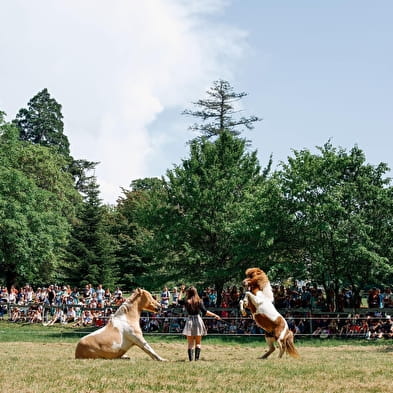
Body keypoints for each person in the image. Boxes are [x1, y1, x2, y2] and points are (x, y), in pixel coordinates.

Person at [179, 286, 221, 361]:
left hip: (190, 320)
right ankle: (197, 359)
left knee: (190, 343)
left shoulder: (186, 301)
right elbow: (205, 312)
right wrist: (215, 315)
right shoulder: (199, 301)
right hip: (198, 320)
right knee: (198, 343)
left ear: (188, 293)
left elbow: (178, 300)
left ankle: (191, 360)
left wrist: (181, 291)